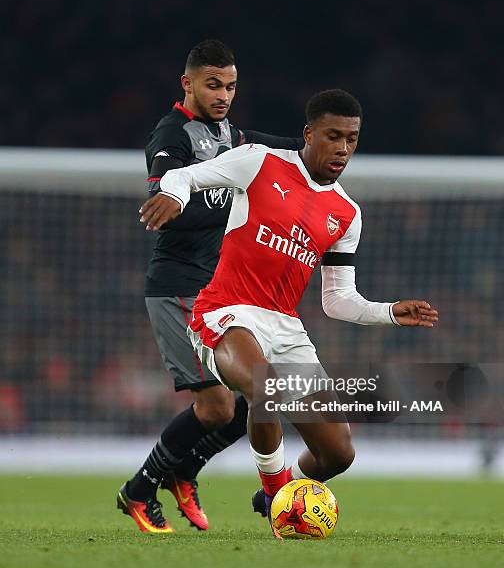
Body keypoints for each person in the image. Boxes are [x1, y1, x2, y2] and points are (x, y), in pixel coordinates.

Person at [138, 88, 439, 537]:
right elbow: (187, 177)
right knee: (266, 388)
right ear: (308, 133)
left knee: (338, 453)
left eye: (351, 139)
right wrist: (176, 196)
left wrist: (390, 312)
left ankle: (276, 496)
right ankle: (280, 497)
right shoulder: (260, 161)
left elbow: (337, 300)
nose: (342, 148)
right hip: (226, 311)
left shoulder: (347, 213)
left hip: (285, 328)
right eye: (333, 136)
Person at [117, 40, 304, 534]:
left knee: (255, 396)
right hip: (179, 285)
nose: (223, 94)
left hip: (218, 290)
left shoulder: (231, 134)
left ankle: (185, 471)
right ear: (188, 83)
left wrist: (313, 150)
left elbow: (276, 149)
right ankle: (139, 490)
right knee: (219, 405)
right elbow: (163, 201)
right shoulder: (172, 135)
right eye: (213, 84)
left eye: (231, 86)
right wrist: (206, 202)